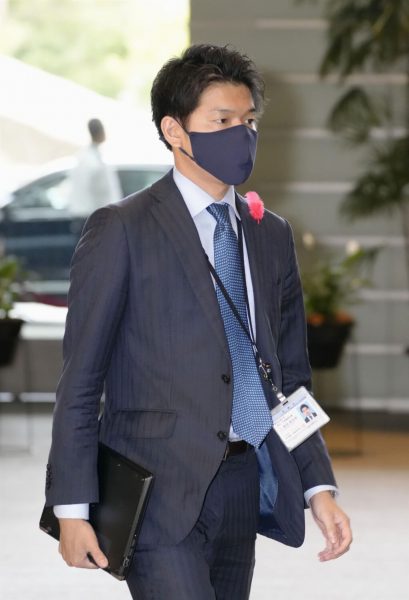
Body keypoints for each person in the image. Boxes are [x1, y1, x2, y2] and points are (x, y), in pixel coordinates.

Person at [45, 44, 352, 599]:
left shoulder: (270, 234)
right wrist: (71, 507)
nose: (243, 134)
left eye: (249, 121)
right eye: (222, 121)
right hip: (155, 491)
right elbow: (81, 379)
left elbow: (288, 379)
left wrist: (318, 486)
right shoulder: (122, 228)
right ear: (175, 130)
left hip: (243, 482)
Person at [66, 118, 121, 216]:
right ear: (100, 132)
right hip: (92, 214)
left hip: (92, 213)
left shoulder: (87, 157)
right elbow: (102, 191)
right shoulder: (91, 161)